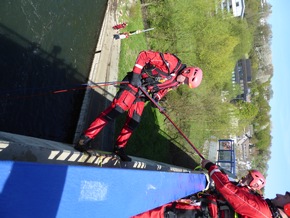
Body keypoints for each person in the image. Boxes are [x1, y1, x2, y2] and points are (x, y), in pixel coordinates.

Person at [74, 50, 203, 161]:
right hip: (134, 84)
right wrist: (136, 75)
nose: (184, 83)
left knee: (133, 122)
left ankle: (119, 148)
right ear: (187, 72)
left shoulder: (176, 82)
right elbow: (144, 55)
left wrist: (156, 98)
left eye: (186, 83)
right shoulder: (171, 62)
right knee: (115, 110)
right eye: (186, 81)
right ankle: (84, 140)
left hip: (143, 93)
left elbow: (163, 89)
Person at [131, 168, 268, 218]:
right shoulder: (240, 188)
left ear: (254, 184)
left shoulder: (247, 197)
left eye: (249, 177)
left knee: (160, 213)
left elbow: (226, 189)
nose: (245, 177)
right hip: (200, 205)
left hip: (201, 211)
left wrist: (213, 169)